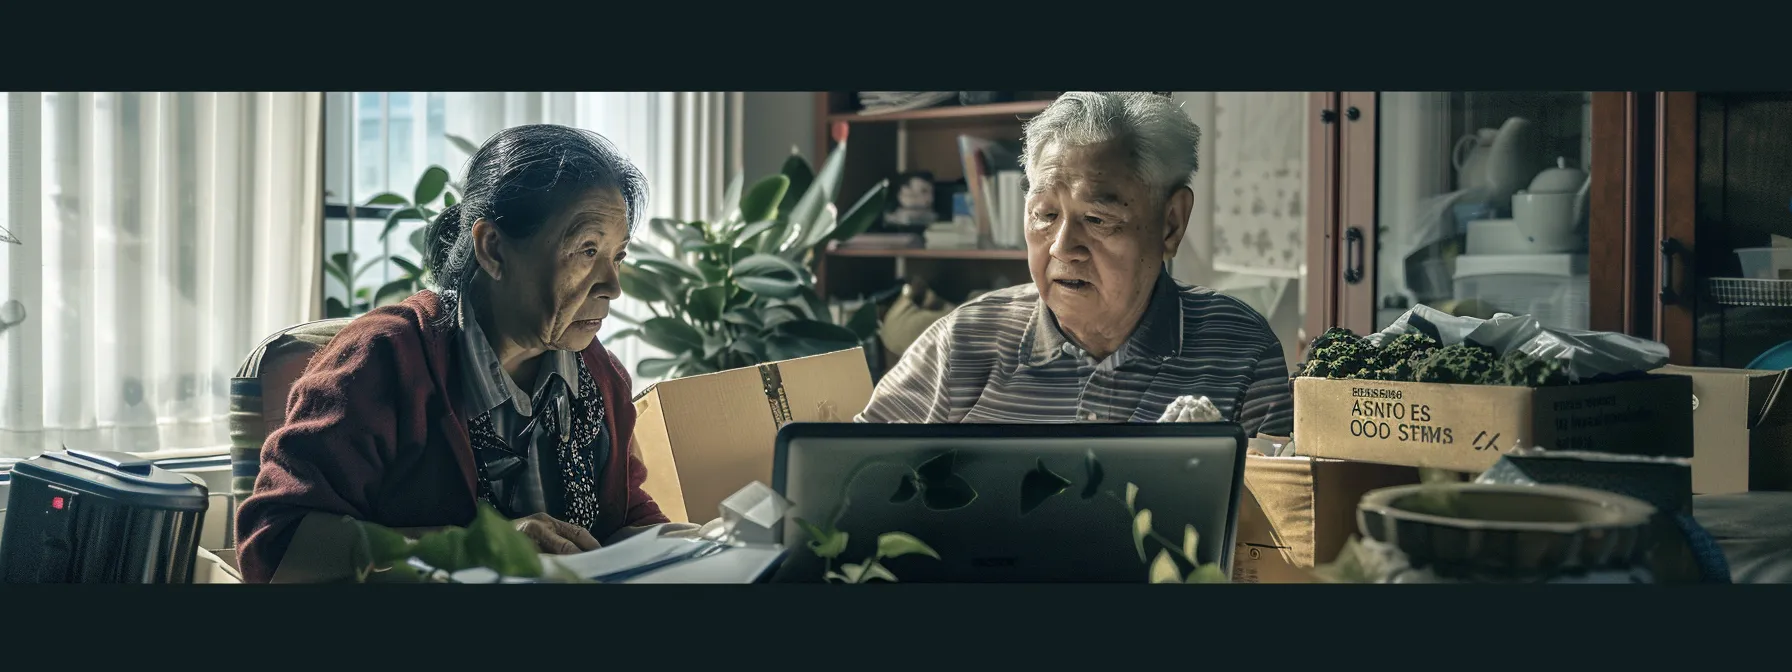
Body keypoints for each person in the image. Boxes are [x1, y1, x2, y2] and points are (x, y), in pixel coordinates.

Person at [235, 124, 674, 583]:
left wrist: (696, 545)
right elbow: (276, 545)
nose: (613, 286)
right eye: (587, 250)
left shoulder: (600, 376)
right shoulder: (381, 361)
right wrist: (467, 549)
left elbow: (623, 517)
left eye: (617, 256)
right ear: (492, 248)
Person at [856, 92, 1294, 436]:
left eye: (1098, 219)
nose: (1062, 248)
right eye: (1045, 215)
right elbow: (851, 480)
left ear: (1170, 224)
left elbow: (1280, 532)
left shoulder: (1240, 351)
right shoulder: (965, 343)